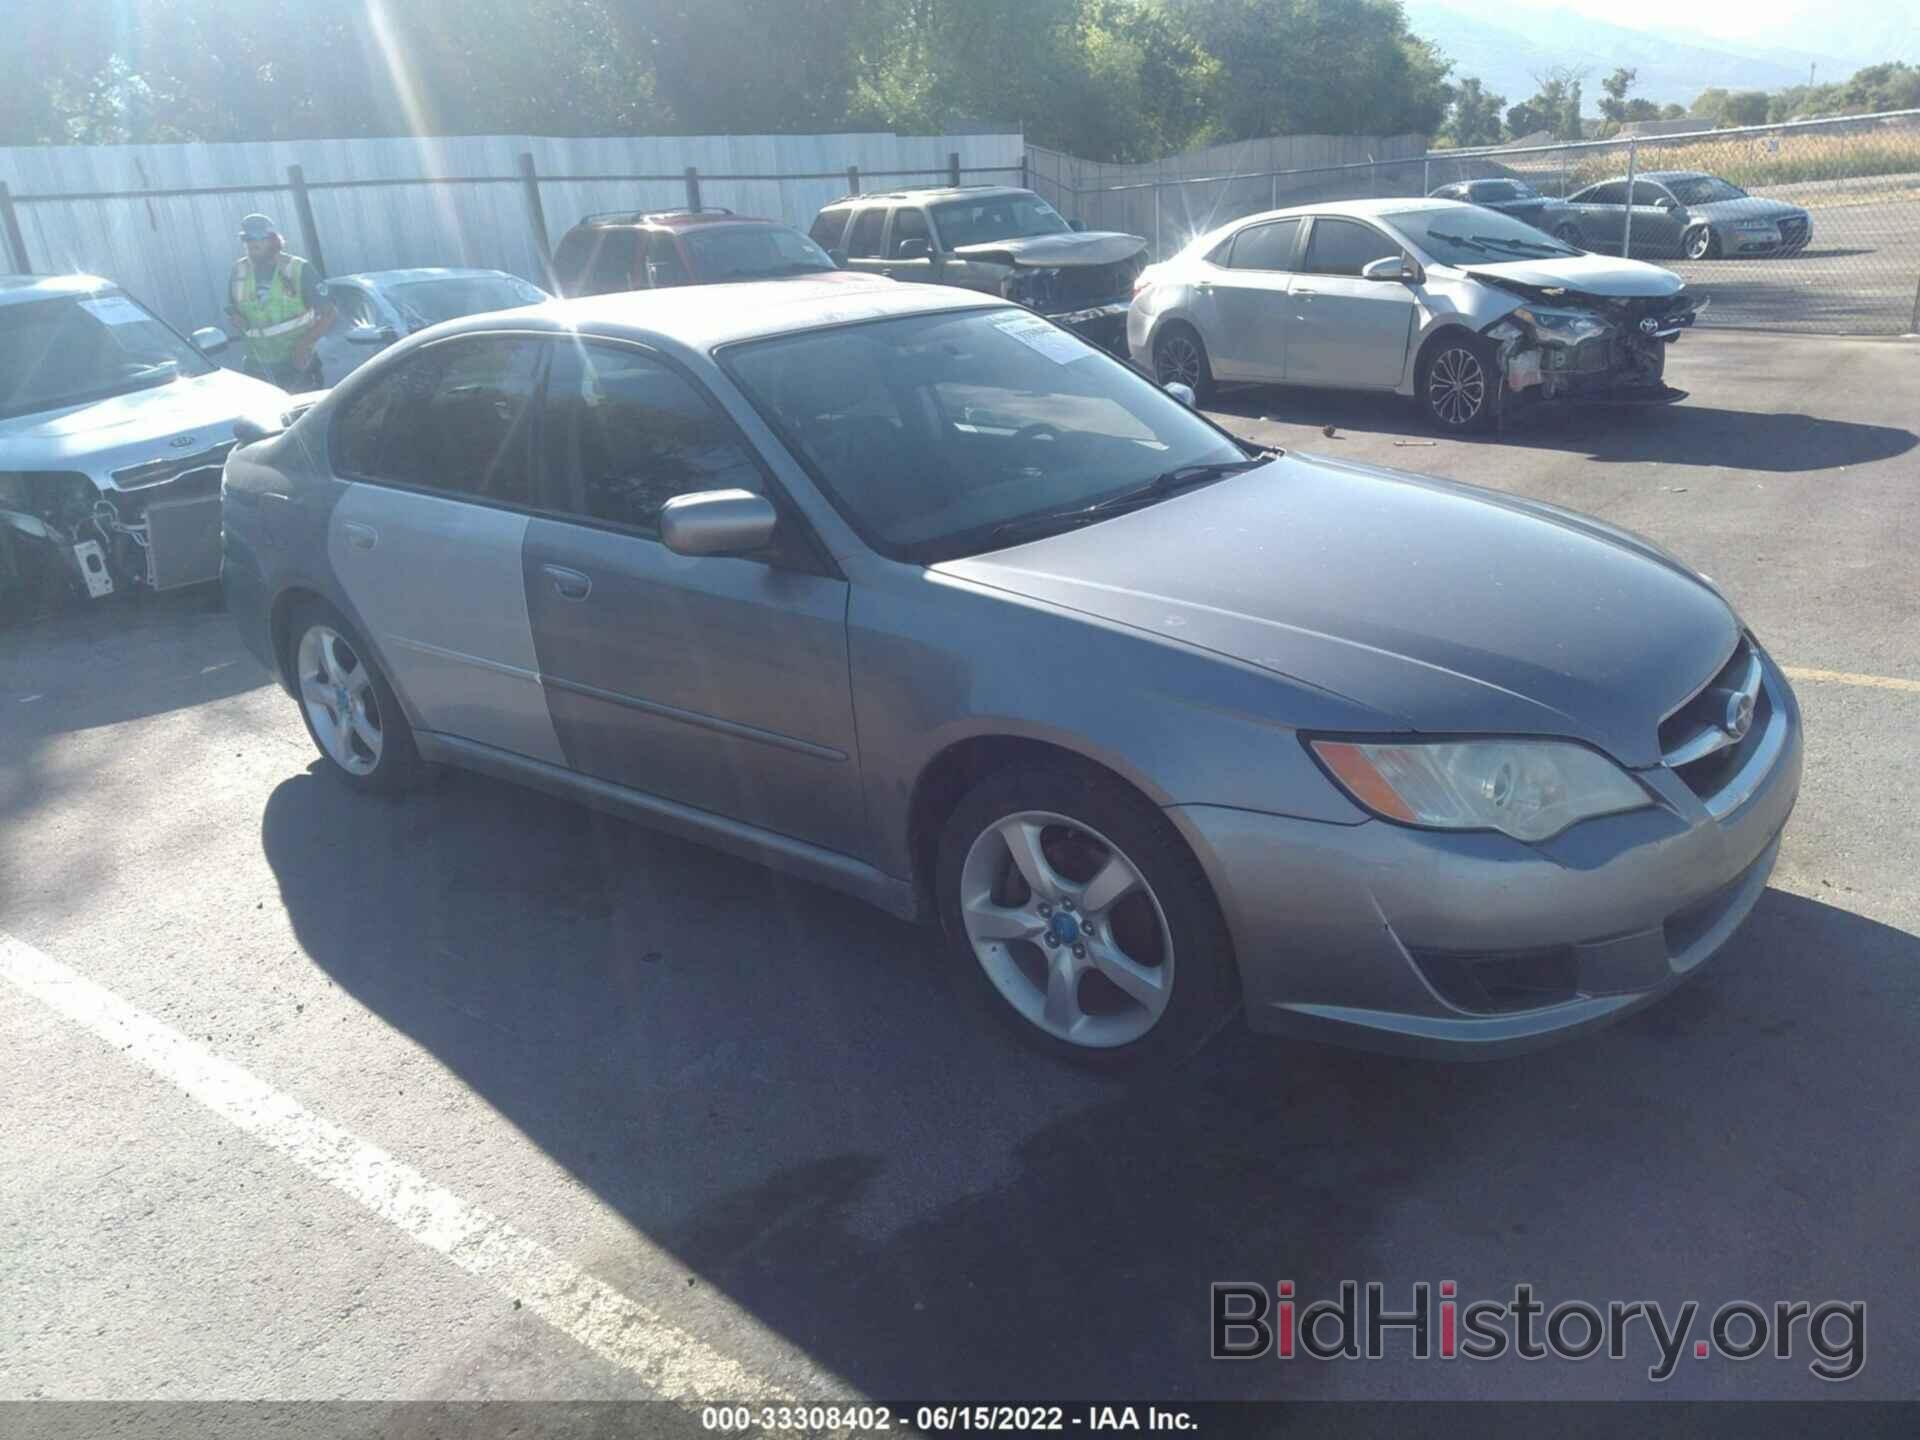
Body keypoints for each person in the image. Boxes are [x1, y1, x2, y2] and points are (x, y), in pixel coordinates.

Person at [226, 213, 335, 390]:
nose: (253, 242)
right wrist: (237, 318)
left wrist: (304, 345)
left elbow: (329, 313)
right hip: (257, 368)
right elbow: (233, 309)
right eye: (247, 238)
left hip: (296, 366)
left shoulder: (298, 268)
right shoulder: (238, 271)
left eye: (260, 237)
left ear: (273, 240)